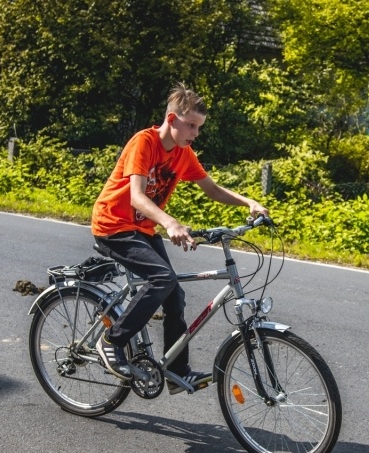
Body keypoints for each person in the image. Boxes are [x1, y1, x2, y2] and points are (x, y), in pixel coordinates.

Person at [91, 82, 268, 394]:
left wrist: (248, 202)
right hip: (113, 226)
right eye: (191, 125)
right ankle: (111, 340)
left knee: (174, 295)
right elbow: (136, 196)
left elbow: (211, 188)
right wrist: (170, 223)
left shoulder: (184, 154)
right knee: (161, 279)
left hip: (142, 229)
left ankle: (176, 371)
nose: (195, 133)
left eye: (199, 127)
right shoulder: (144, 143)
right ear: (171, 120)